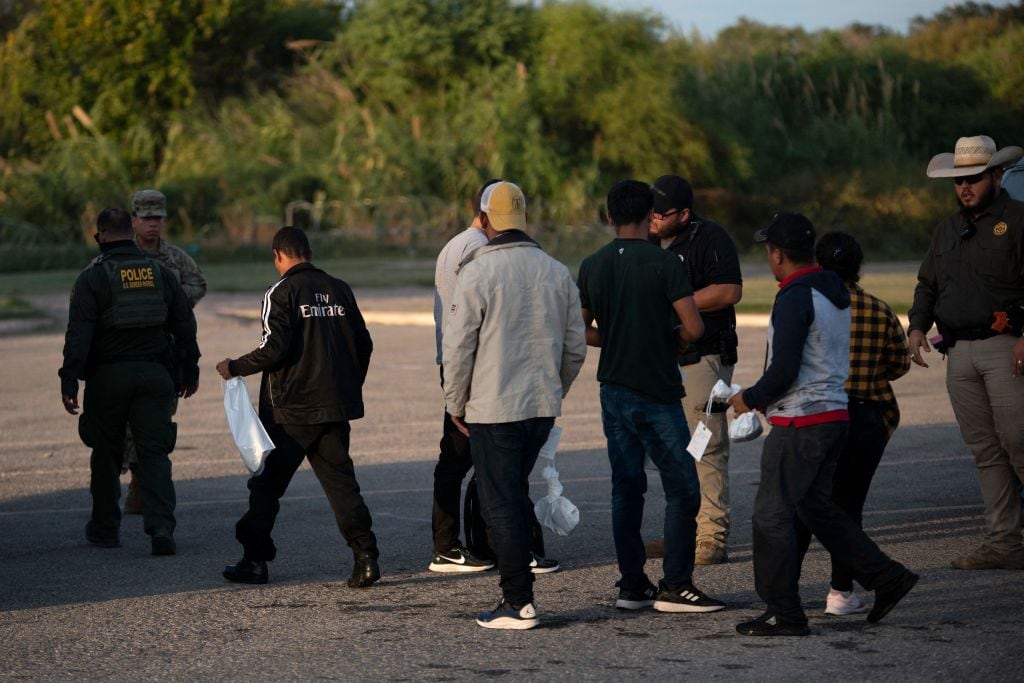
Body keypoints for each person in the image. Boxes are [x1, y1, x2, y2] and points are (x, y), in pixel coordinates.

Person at [729, 213, 918, 636]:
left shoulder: (796, 296)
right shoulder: (833, 291)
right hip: (834, 415)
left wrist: (749, 398)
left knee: (771, 515)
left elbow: (785, 370)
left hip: (802, 419)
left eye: (769, 251)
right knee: (818, 509)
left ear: (777, 254)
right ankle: (887, 577)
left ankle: (784, 612)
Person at [577, 179, 725, 615]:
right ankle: (676, 584)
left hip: (614, 390)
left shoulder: (593, 264)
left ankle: (632, 584)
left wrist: (616, 337)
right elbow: (694, 327)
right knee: (683, 488)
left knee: (626, 488)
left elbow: (581, 329)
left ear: (609, 217)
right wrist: (669, 338)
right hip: (658, 391)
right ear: (649, 216)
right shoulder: (665, 263)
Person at [442, 181, 586, 629]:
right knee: (513, 493)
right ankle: (518, 592)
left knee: (500, 503)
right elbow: (575, 348)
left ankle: (518, 600)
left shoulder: (477, 272)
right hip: (540, 406)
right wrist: (553, 390)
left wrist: (455, 403)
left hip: (493, 408)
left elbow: (459, 347)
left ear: (485, 220)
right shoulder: (556, 271)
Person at [215, 227, 380, 588]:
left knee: (266, 487)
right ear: (310, 252)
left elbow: (274, 348)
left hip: (289, 413)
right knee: (342, 486)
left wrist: (235, 366)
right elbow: (363, 344)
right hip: (334, 407)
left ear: (277, 256)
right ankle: (366, 557)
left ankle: (254, 560)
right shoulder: (340, 288)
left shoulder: (281, 292)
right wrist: (348, 386)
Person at [908, 135, 1024, 570]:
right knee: (984, 449)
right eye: (958, 180)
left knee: (1019, 440)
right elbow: (927, 283)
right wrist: (917, 326)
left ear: (996, 176)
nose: (964, 187)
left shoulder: (1018, 220)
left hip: (1006, 345)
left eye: (973, 178)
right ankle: (1005, 543)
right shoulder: (947, 229)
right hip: (958, 352)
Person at [429, 179, 557, 574]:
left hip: (459, 365)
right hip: (478, 369)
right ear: (487, 215)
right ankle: (506, 548)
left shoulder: (455, 244)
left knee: (458, 461)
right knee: (496, 463)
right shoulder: (478, 249)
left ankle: (451, 545)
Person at [59, 207, 200, 556]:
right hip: (155, 376)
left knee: (106, 454)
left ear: (102, 236)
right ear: (131, 230)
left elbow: (78, 336)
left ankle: (105, 529)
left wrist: (69, 380)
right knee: (154, 454)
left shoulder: (92, 277)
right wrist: (190, 370)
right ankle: (161, 529)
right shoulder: (160, 272)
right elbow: (184, 325)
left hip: (109, 378)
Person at [795, 231, 911, 616]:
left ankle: (787, 588)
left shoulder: (809, 305)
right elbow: (898, 364)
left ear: (818, 264)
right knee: (848, 505)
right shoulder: (879, 309)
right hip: (865, 415)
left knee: (804, 503)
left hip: (819, 412)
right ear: (858, 267)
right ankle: (840, 592)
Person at [647, 175, 743, 565]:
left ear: (684, 214)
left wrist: (677, 302)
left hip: (704, 357)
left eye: (662, 213)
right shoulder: (649, 240)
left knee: (706, 445)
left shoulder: (710, 238)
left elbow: (729, 290)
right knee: (673, 450)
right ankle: (683, 532)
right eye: (650, 211)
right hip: (664, 360)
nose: (653, 218)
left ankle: (711, 537)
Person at [121, 189, 207, 515]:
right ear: (134, 220)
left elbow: (198, 284)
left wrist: (167, 299)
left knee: (159, 421)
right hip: (128, 352)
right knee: (124, 422)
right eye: (146, 218)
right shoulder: (121, 255)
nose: (152, 224)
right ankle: (134, 478)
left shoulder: (176, 258)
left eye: (157, 218)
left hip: (166, 352)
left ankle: (145, 485)